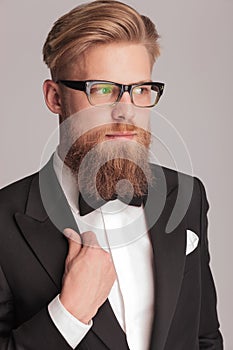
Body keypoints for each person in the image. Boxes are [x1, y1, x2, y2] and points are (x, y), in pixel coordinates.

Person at [0, 1, 223, 349]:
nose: (126, 111)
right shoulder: (3, 220)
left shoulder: (187, 195)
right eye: (102, 89)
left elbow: (203, 337)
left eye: (141, 89)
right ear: (55, 97)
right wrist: (69, 314)